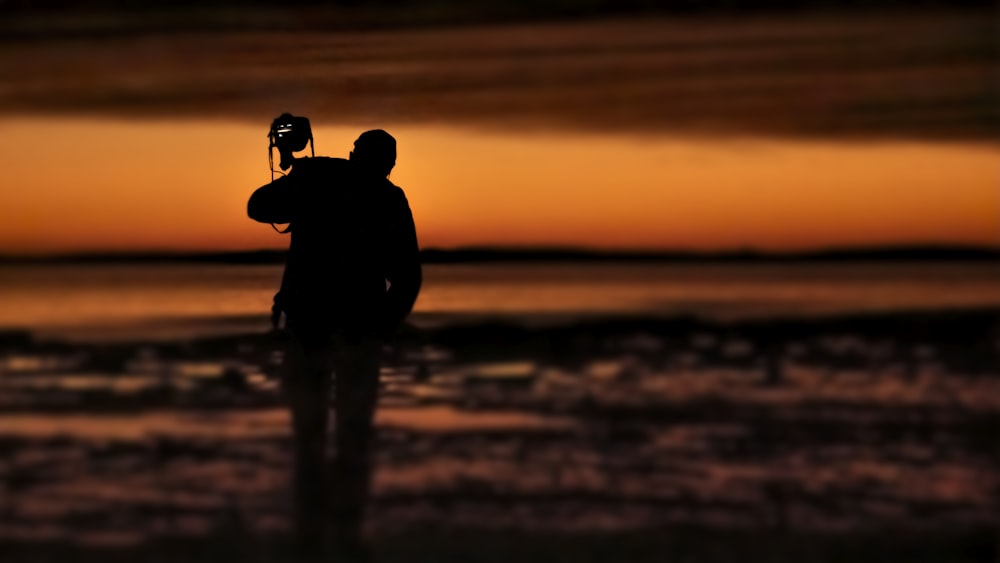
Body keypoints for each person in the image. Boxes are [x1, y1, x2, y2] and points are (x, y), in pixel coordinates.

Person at [247, 127, 421, 562]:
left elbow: (259, 206)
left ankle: (328, 530)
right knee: (337, 431)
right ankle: (332, 530)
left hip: (333, 325)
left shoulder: (333, 183)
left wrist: (297, 170)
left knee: (329, 431)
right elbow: (260, 206)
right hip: (337, 324)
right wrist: (296, 170)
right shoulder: (361, 190)